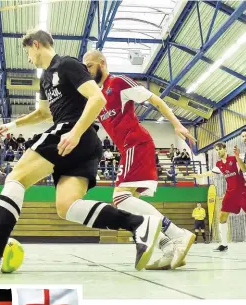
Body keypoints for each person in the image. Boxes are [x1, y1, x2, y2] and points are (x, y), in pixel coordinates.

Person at [0, 29, 162, 278]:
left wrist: (75, 132)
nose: (28, 58)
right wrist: (14, 125)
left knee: (15, 179)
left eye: (27, 52)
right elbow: (43, 114)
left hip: (73, 132)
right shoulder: (45, 79)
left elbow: (97, 99)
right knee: (67, 207)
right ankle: (138, 224)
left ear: (36, 45)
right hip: (81, 143)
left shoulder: (67, 64)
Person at [83, 49, 196, 270]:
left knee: (120, 199)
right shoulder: (98, 97)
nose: (86, 71)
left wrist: (177, 124)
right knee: (128, 207)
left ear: (102, 63)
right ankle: (168, 246)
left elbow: (155, 100)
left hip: (137, 143)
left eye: (89, 66)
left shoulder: (118, 83)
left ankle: (177, 234)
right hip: (127, 149)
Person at [190, 142, 246, 251]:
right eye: (216, 150)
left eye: (219, 149)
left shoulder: (235, 159)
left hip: (243, 192)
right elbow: (211, 172)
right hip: (230, 194)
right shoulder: (219, 164)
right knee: (222, 216)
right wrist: (199, 175)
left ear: (225, 149)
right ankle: (224, 245)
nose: (218, 151)